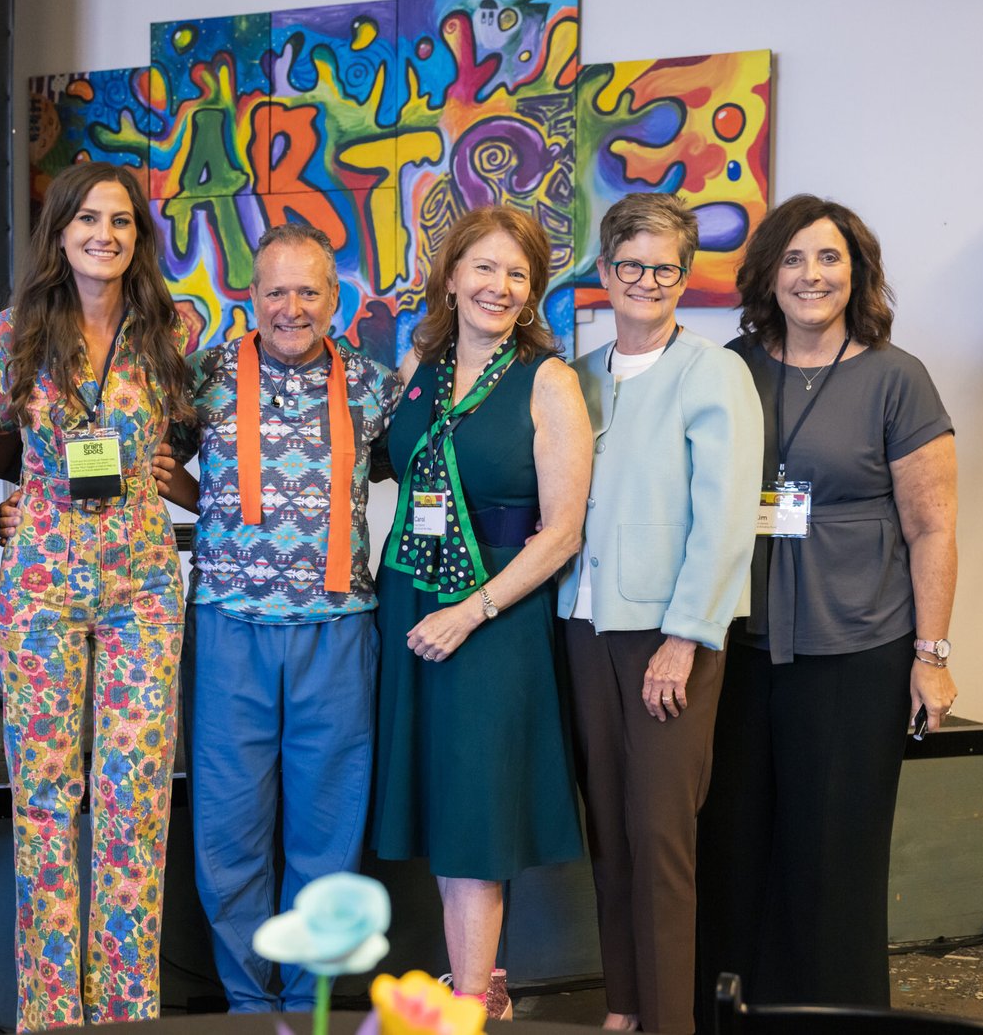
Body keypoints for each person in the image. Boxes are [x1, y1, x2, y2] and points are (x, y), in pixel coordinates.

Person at [696, 194, 959, 1017]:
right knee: (732, 851)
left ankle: (834, 1017)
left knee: (833, 861)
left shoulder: (896, 378)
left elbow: (933, 526)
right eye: (795, 259)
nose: (812, 275)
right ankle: (729, 1016)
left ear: (858, 272)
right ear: (768, 275)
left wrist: (932, 656)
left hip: (857, 651)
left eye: (830, 257)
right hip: (736, 647)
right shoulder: (728, 366)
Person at [164, 224, 400, 1012]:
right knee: (228, 836)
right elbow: (156, 465)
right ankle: (245, 1004)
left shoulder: (376, 385)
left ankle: (311, 1005)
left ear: (336, 299)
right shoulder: (206, 377)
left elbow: (421, 477)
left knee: (328, 836)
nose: (291, 307)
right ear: (251, 298)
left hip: (337, 631)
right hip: (231, 628)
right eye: (275, 291)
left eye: (309, 291)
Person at [0, 161, 194, 1030]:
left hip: (144, 585)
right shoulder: (7, 338)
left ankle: (124, 1015)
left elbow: (187, 456)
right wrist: (17, 509)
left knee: (133, 799)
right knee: (41, 799)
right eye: (87, 219)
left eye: (121, 222)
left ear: (137, 238)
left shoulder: (169, 329)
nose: (104, 235)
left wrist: (170, 477)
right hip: (39, 588)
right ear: (60, 231)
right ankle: (49, 1015)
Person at [370, 205, 592, 1020]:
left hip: (493, 613)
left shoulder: (550, 381)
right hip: (411, 593)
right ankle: (474, 980)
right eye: (485, 268)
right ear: (453, 275)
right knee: (439, 791)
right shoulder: (417, 372)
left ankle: (470, 1000)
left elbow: (563, 530)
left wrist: (471, 612)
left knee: (474, 806)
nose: (499, 286)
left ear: (532, 292)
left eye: (517, 274)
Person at [555, 194, 761, 1034]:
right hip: (583, 627)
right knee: (610, 832)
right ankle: (624, 1008)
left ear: (686, 276)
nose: (646, 281)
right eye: (630, 265)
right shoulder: (577, 375)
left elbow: (724, 518)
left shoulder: (713, 373)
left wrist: (685, 637)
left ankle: (669, 1020)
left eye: (664, 268)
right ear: (606, 273)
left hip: (666, 636)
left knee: (663, 840)